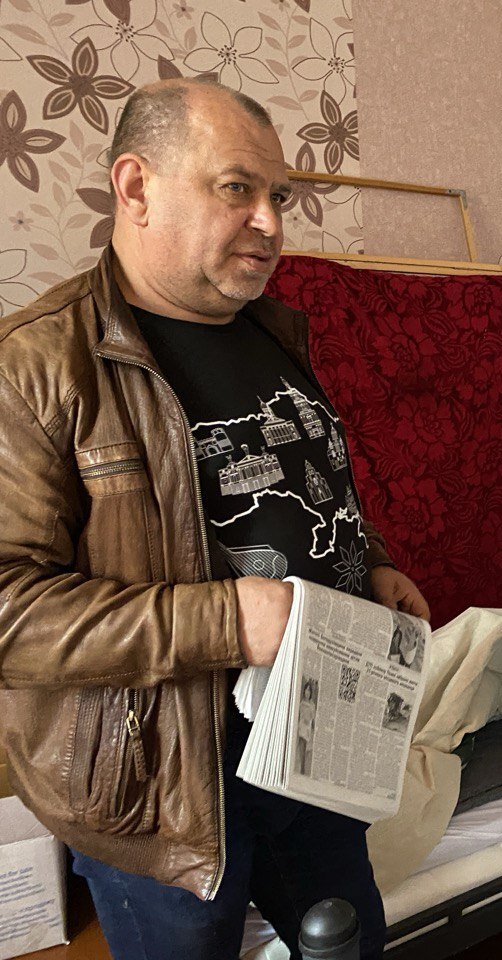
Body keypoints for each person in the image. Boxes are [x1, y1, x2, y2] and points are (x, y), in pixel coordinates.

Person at [0, 78, 431, 960]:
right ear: (135, 186)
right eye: (237, 188)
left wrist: (370, 561)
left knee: (352, 943)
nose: (272, 222)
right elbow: (10, 612)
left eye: (280, 195)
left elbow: (306, 480)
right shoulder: (36, 367)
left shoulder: (276, 330)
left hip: (312, 741)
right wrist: (226, 617)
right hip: (161, 783)